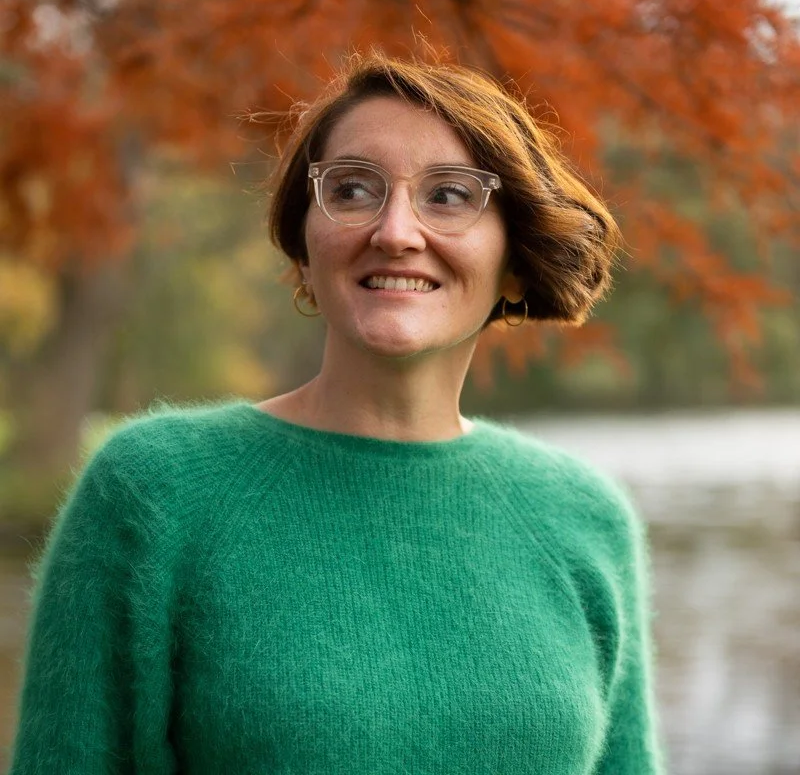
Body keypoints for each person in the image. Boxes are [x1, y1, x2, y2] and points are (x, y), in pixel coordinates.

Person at [9, 52, 664, 774]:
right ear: (304, 249)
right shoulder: (153, 493)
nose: (395, 231)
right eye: (352, 190)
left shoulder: (582, 517)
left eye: (449, 196)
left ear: (514, 258)